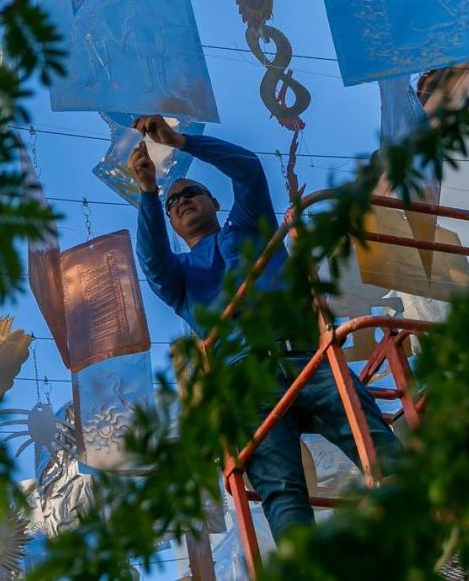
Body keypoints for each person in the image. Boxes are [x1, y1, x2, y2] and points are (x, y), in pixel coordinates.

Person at [127, 115, 402, 542]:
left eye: (190, 192)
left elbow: (249, 169)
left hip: (308, 358)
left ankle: (440, 538)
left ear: (213, 202)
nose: (181, 200)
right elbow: (151, 261)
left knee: (377, 445)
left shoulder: (251, 227)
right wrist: (148, 192)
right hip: (245, 379)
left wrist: (180, 142)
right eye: (173, 202)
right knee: (282, 491)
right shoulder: (179, 277)